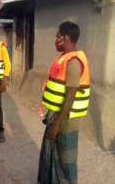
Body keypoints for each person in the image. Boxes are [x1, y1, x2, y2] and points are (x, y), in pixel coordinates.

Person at [38, 21, 91, 184]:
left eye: (58, 37)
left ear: (66, 38)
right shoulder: (63, 58)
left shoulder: (74, 62)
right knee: (52, 156)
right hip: (56, 115)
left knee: (66, 161)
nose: (56, 40)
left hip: (66, 120)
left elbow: (70, 96)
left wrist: (57, 125)